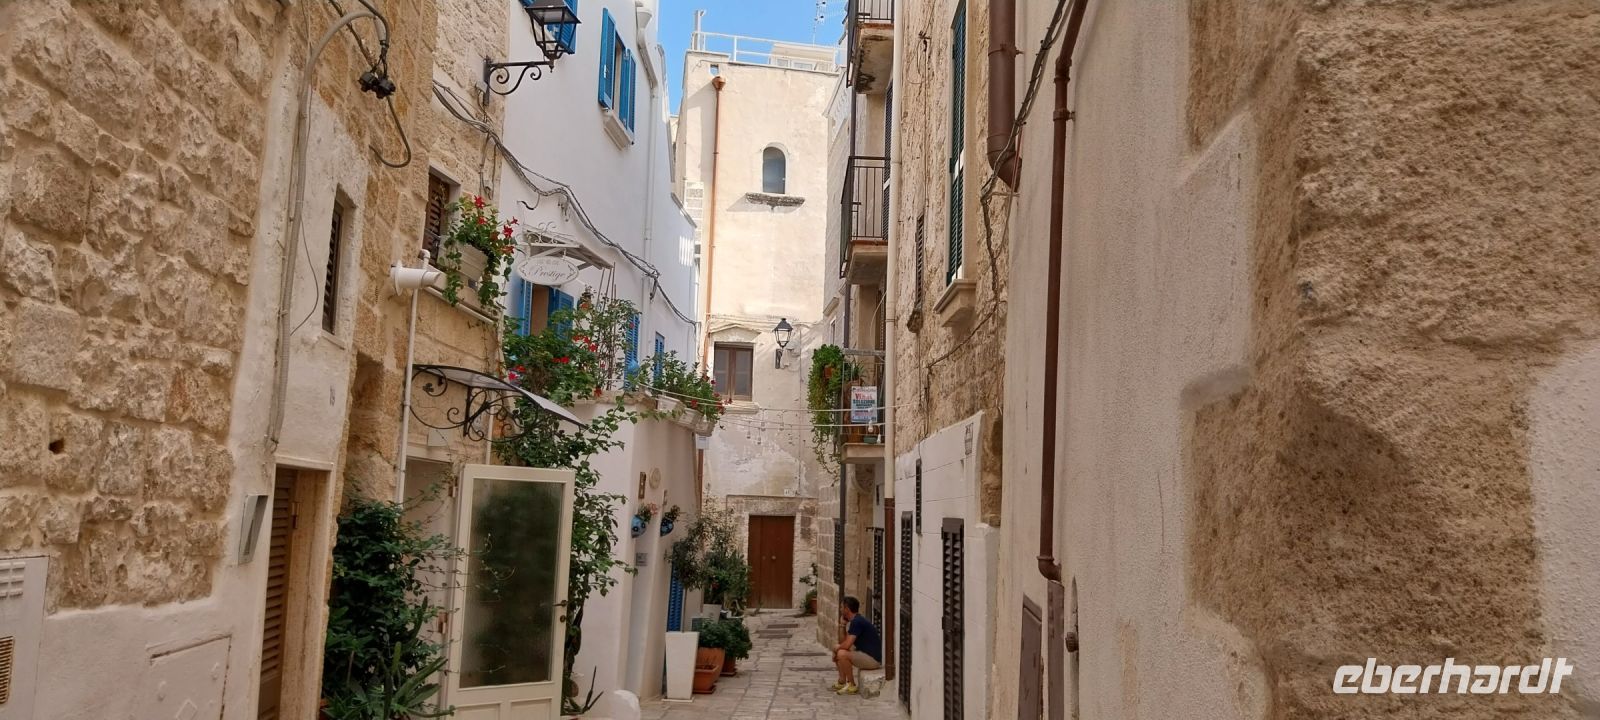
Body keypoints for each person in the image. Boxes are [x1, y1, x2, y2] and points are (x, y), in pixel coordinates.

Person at [832, 596, 881, 695]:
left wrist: (837, 648)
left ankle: (852, 685)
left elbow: (846, 645)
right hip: (864, 654)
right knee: (838, 649)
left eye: (841, 607)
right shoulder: (856, 620)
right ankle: (842, 681)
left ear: (847, 609)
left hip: (872, 660)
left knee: (841, 653)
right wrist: (842, 625)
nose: (840, 610)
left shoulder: (857, 622)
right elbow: (843, 642)